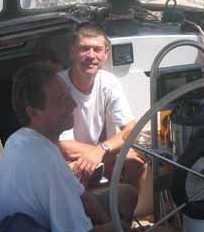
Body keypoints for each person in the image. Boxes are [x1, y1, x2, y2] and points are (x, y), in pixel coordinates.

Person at [0, 62, 178, 232]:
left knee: (126, 195)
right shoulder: (44, 161)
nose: (73, 104)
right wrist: (118, 228)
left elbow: (81, 195)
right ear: (33, 112)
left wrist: (112, 226)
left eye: (69, 95)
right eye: (62, 100)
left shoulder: (22, 140)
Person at [58, 22, 146, 191]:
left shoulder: (108, 82)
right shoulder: (58, 86)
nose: (91, 55)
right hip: (66, 160)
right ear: (72, 52)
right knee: (76, 170)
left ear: (105, 54)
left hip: (97, 153)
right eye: (84, 49)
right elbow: (65, 147)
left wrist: (101, 150)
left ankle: (122, 206)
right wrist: (101, 154)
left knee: (135, 161)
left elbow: (131, 130)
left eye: (97, 49)